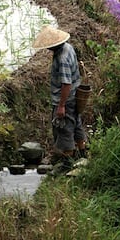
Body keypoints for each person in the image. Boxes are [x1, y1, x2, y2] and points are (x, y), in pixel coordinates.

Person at [33, 25, 87, 175]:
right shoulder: (68, 47)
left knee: (64, 129)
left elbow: (66, 83)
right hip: (75, 96)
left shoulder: (61, 58)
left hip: (67, 99)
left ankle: (67, 162)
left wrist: (61, 105)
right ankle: (82, 154)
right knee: (76, 124)